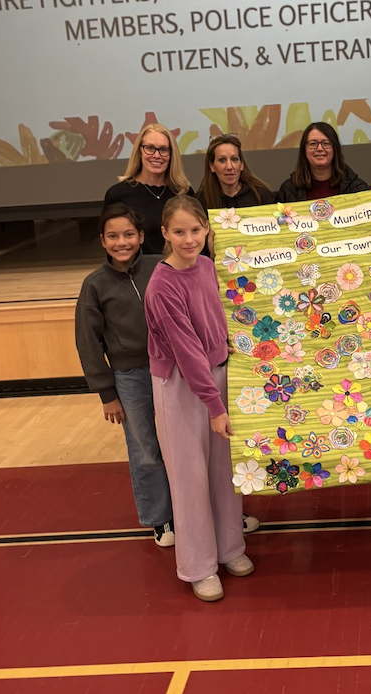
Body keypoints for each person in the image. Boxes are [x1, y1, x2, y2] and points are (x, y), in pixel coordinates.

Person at [144, 195, 254, 601]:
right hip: (183, 388)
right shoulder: (162, 285)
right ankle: (199, 566)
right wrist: (214, 406)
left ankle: (230, 548)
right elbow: (187, 350)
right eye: (179, 232)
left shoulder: (207, 266)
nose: (188, 239)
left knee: (224, 472)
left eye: (195, 230)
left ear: (207, 230)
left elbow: (215, 321)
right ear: (164, 234)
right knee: (190, 477)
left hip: (218, 379)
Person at [75, 204, 175, 547]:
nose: (122, 242)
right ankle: (160, 519)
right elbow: (87, 342)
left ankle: (192, 510)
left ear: (142, 236)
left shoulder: (161, 267)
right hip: (130, 377)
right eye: (113, 236)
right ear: (102, 241)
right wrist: (107, 393)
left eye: (129, 234)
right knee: (145, 448)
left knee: (183, 443)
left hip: (173, 370)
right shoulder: (95, 285)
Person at [103, 121, 193, 254]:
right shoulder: (117, 195)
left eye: (163, 150)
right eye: (150, 148)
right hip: (138, 272)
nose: (157, 155)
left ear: (171, 154)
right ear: (139, 151)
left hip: (180, 271)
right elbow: (111, 244)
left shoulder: (184, 193)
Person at [276, 121, 368, 201]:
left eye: (325, 143)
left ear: (334, 149)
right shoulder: (288, 190)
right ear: (304, 150)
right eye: (313, 143)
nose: (319, 148)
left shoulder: (357, 188)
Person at [197, 134, 276, 212]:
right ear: (212, 166)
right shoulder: (201, 201)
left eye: (234, 159)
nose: (229, 167)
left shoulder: (261, 195)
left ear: (241, 164)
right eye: (222, 160)